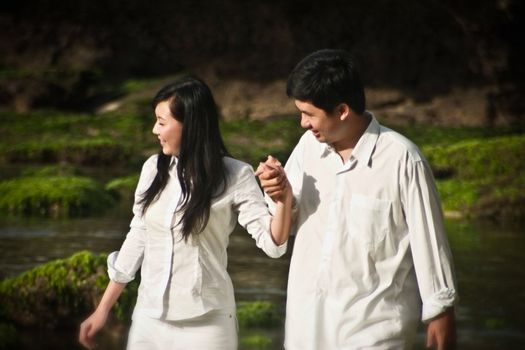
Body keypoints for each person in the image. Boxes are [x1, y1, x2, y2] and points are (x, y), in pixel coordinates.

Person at [257, 49, 458, 349]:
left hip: (373, 334)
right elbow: (283, 228)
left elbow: (429, 243)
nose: (302, 123)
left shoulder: (402, 160)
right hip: (306, 331)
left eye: (309, 114)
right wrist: (280, 191)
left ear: (341, 110)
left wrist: (441, 315)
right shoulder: (307, 150)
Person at [79, 76, 292, 350]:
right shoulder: (153, 168)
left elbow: (274, 246)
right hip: (149, 319)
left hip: (208, 325)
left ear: (190, 125)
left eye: (162, 121)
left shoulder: (236, 174)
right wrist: (102, 309)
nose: (154, 130)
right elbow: (138, 237)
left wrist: (282, 198)